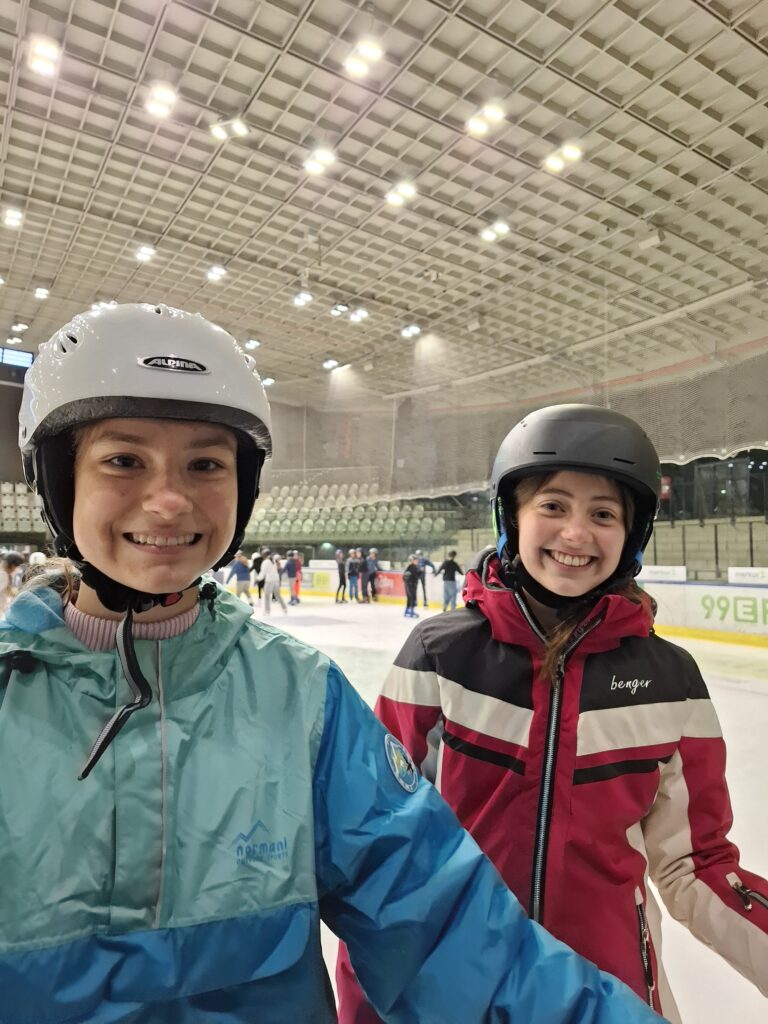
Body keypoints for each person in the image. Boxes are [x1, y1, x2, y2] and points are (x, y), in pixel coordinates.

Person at [0, 308, 664, 1024]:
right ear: (58, 478)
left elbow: (447, 930)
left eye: (206, 464)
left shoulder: (302, 697)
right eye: (124, 461)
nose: (169, 500)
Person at [336, 404, 768, 1023]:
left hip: (608, 994)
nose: (576, 534)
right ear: (511, 516)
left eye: (603, 514)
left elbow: (695, 865)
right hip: (454, 990)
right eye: (553, 506)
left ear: (632, 534)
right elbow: (379, 844)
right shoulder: (440, 656)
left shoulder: (671, 681)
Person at [0, 550, 24, 617]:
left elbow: (8, 592)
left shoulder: (5, 574)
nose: (17, 569)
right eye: (17, 567)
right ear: (13, 565)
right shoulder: (3, 575)